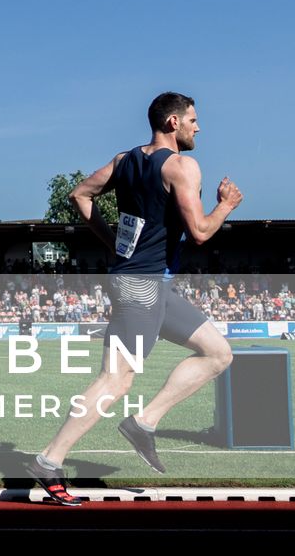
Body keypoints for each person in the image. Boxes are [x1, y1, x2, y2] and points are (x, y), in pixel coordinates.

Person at [28, 92, 242, 505]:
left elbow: (79, 195)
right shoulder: (182, 166)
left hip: (149, 284)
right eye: (193, 120)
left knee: (217, 352)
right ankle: (49, 461)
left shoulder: (124, 160)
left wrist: (113, 243)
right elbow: (199, 231)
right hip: (142, 286)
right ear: (172, 123)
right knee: (115, 379)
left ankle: (144, 423)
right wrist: (226, 206)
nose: (199, 127)